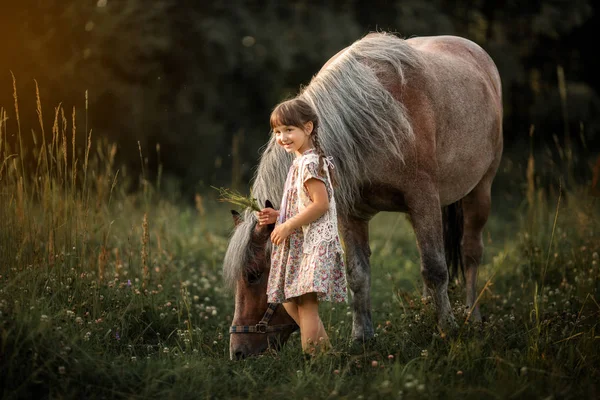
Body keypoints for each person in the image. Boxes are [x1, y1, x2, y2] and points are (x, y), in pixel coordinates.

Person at [257, 97, 347, 357]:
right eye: (277, 132)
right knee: (288, 300)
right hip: (301, 240)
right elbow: (304, 202)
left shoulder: (309, 162)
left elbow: (320, 204)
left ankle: (314, 360)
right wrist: (279, 215)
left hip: (313, 242)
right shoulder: (299, 161)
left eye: (289, 130)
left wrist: (286, 226)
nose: (282, 137)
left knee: (307, 305)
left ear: (307, 128)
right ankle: (326, 353)